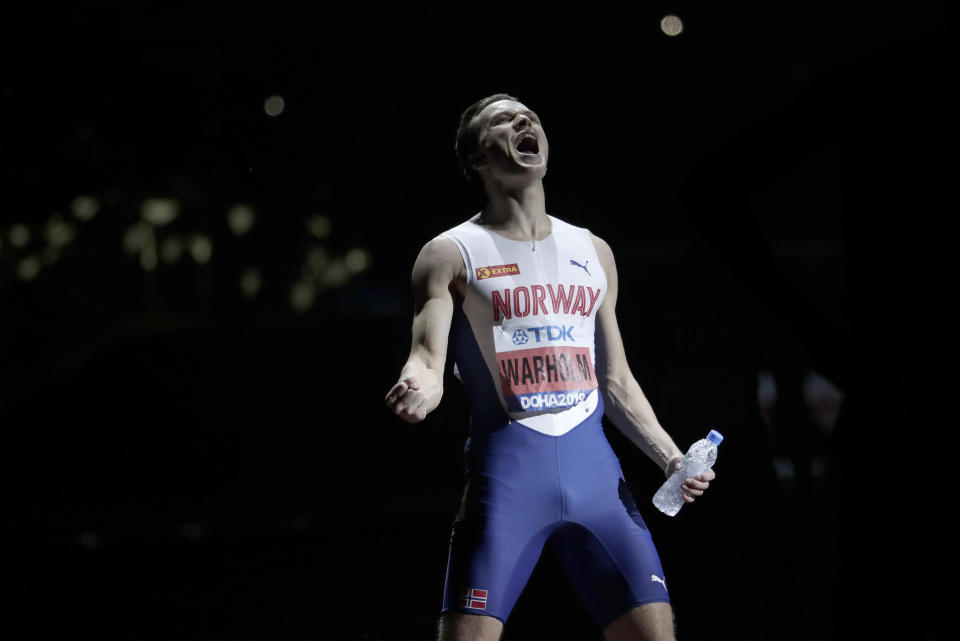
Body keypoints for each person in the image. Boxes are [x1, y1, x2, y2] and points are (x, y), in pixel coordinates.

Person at [385, 93, 715, 641]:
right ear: (478, 161)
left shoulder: (593, 250)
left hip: (599, 481)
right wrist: (418, 386)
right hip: (508, 480)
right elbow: (426, 358)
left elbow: (616, 381)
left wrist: (672, 458)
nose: (523, 119)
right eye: (502, 119)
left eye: (528, 114)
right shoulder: (449, 253)